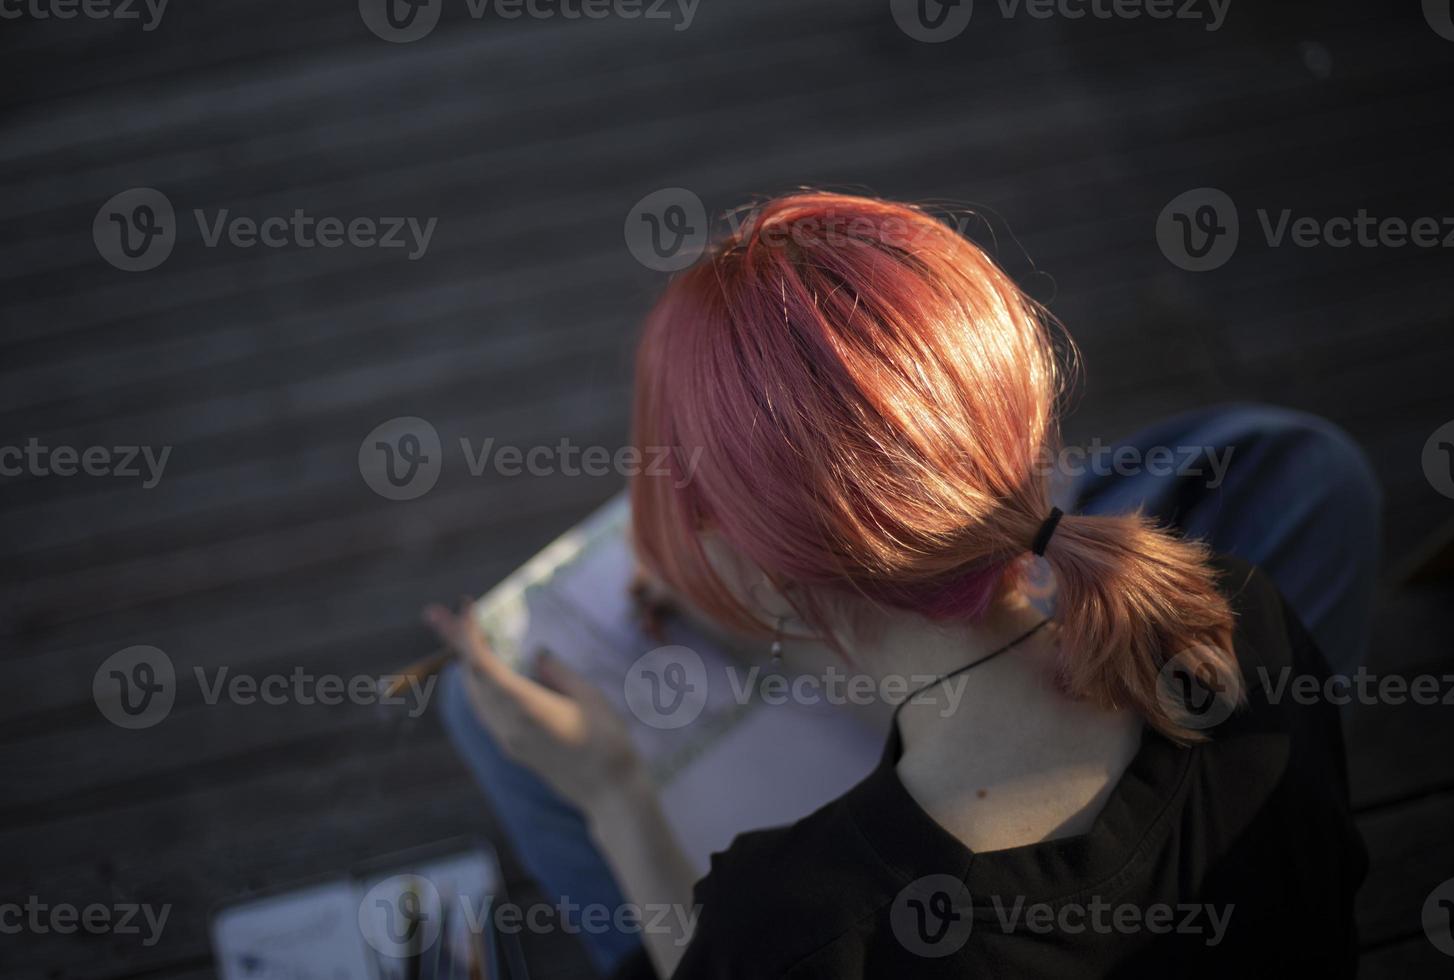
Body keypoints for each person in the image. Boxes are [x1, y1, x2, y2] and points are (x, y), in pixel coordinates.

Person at [428, 193, 1378, 978]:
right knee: (1295, 463)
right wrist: (791, 602)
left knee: (476, 709)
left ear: (752, 575)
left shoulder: (790, 925)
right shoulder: (1240, 620)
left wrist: (611, 795)